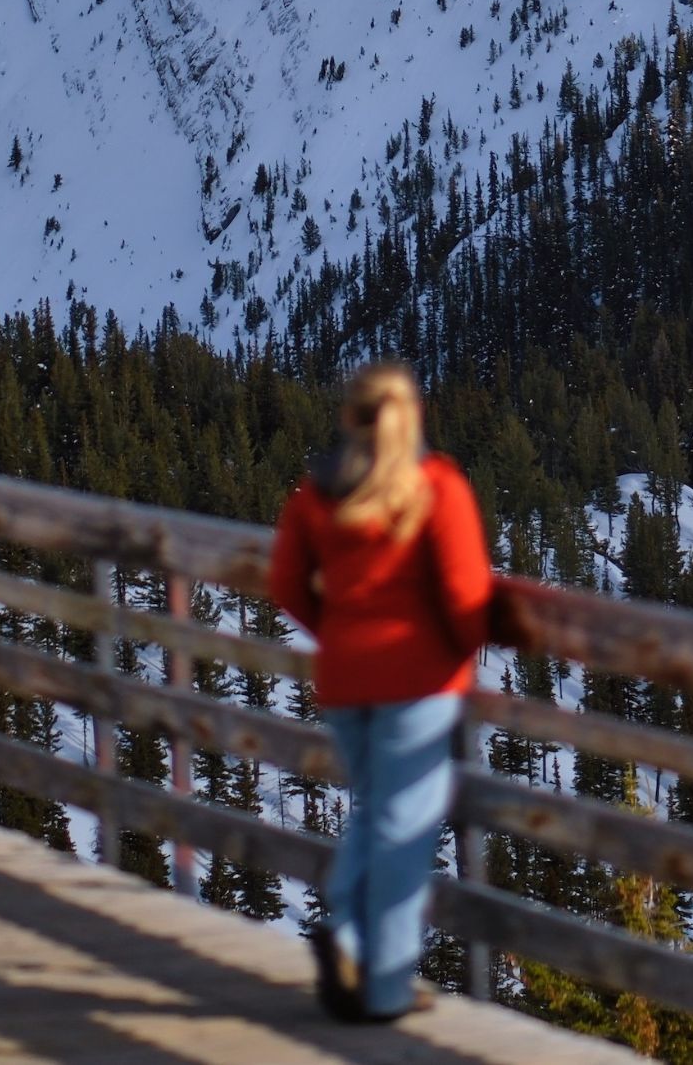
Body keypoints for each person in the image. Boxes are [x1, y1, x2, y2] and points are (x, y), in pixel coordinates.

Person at [271, 363, 494, 1024]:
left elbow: (287, 583)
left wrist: (338, 632)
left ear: (351, 417)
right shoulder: (437, 487)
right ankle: (387, 984)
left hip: (344, 684)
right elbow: (465, 596)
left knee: (377, 810)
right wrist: (453, 651)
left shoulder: (316, 495)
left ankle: (344, 937)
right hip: (417, 684)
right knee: (404, 828)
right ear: (412, 417)